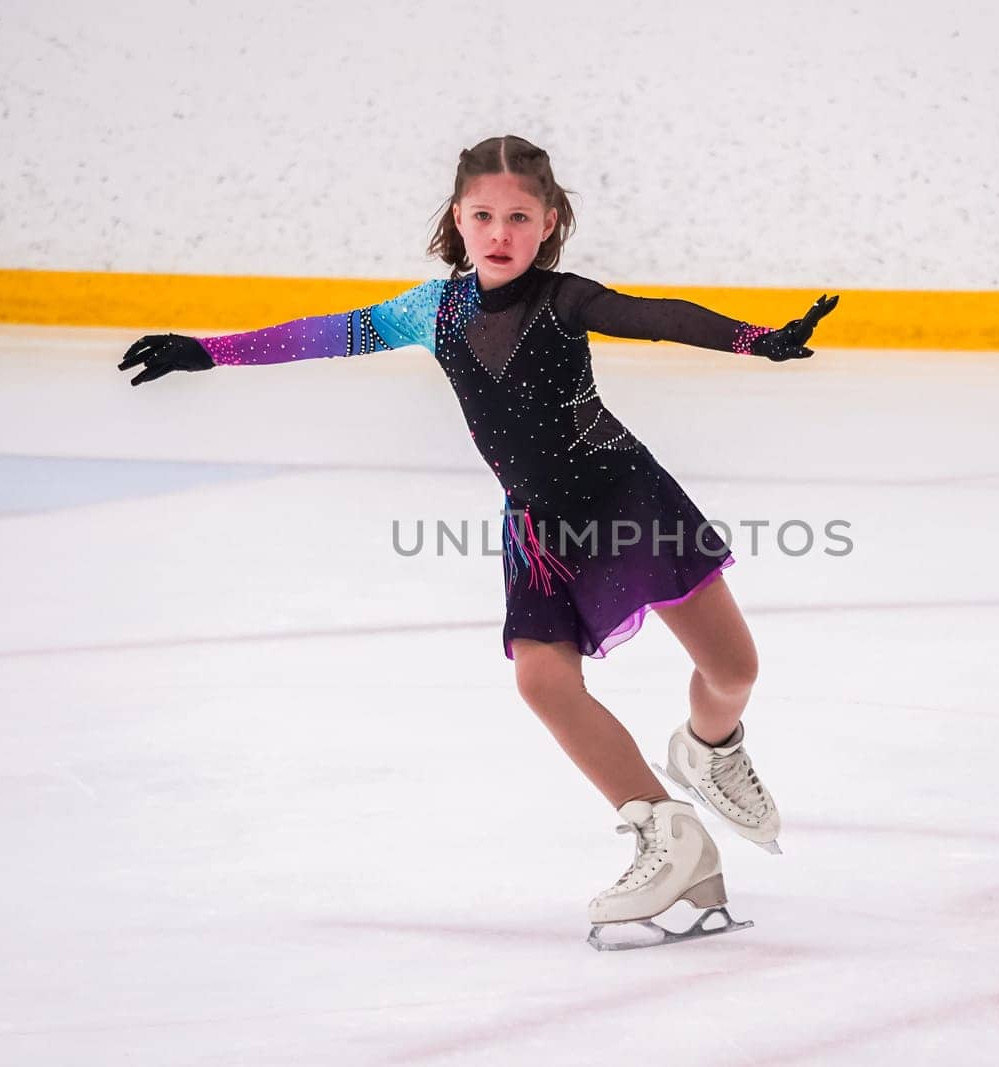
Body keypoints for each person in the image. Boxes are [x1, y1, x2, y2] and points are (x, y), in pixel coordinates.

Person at [118, 135, 839, 946]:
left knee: (733, 668)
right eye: (483, 215)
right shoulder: (432, 311)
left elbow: (654, 318)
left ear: (550, 222)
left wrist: (754, 338)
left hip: (625, 497)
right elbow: (324, 331)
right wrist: (209, 352)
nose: (500, 232)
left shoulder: (565, 300)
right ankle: (665, 832)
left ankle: (710, 747)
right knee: (542, 681)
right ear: (457, 219)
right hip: (538, 528)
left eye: (519, 217)